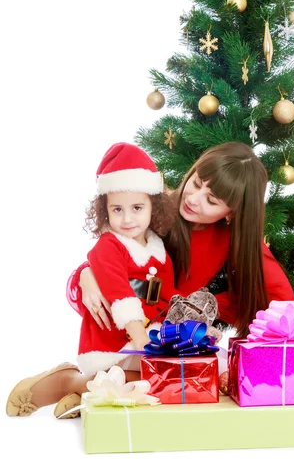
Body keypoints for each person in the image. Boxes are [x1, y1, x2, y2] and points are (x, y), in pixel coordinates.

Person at [6, 141, 294, 419]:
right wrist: (86, 274)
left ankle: (90, 389)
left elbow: (280, 296)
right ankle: (68, 381)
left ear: (232, 214)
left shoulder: (236, 238)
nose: (193, 200)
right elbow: (113, 255)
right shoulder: (154, 208)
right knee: (165, 378)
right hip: (129, 326)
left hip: (170, 334)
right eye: (195, 183)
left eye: (211, 200)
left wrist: (208, 307)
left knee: (186, 381)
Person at [6, 142, 176, 418]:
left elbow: (167, 294)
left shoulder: (158, 252)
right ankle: (65, 381)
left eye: (136, 207)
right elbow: (118, 291)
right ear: (104, 210)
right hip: (112, 335)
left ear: (153, 207)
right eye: (117, 209)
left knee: (146, 382)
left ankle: (82, 394)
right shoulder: (108, 245)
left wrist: (166, 330)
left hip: (146, 337)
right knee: (125, 379)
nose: (128, 218)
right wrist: (141, 336)